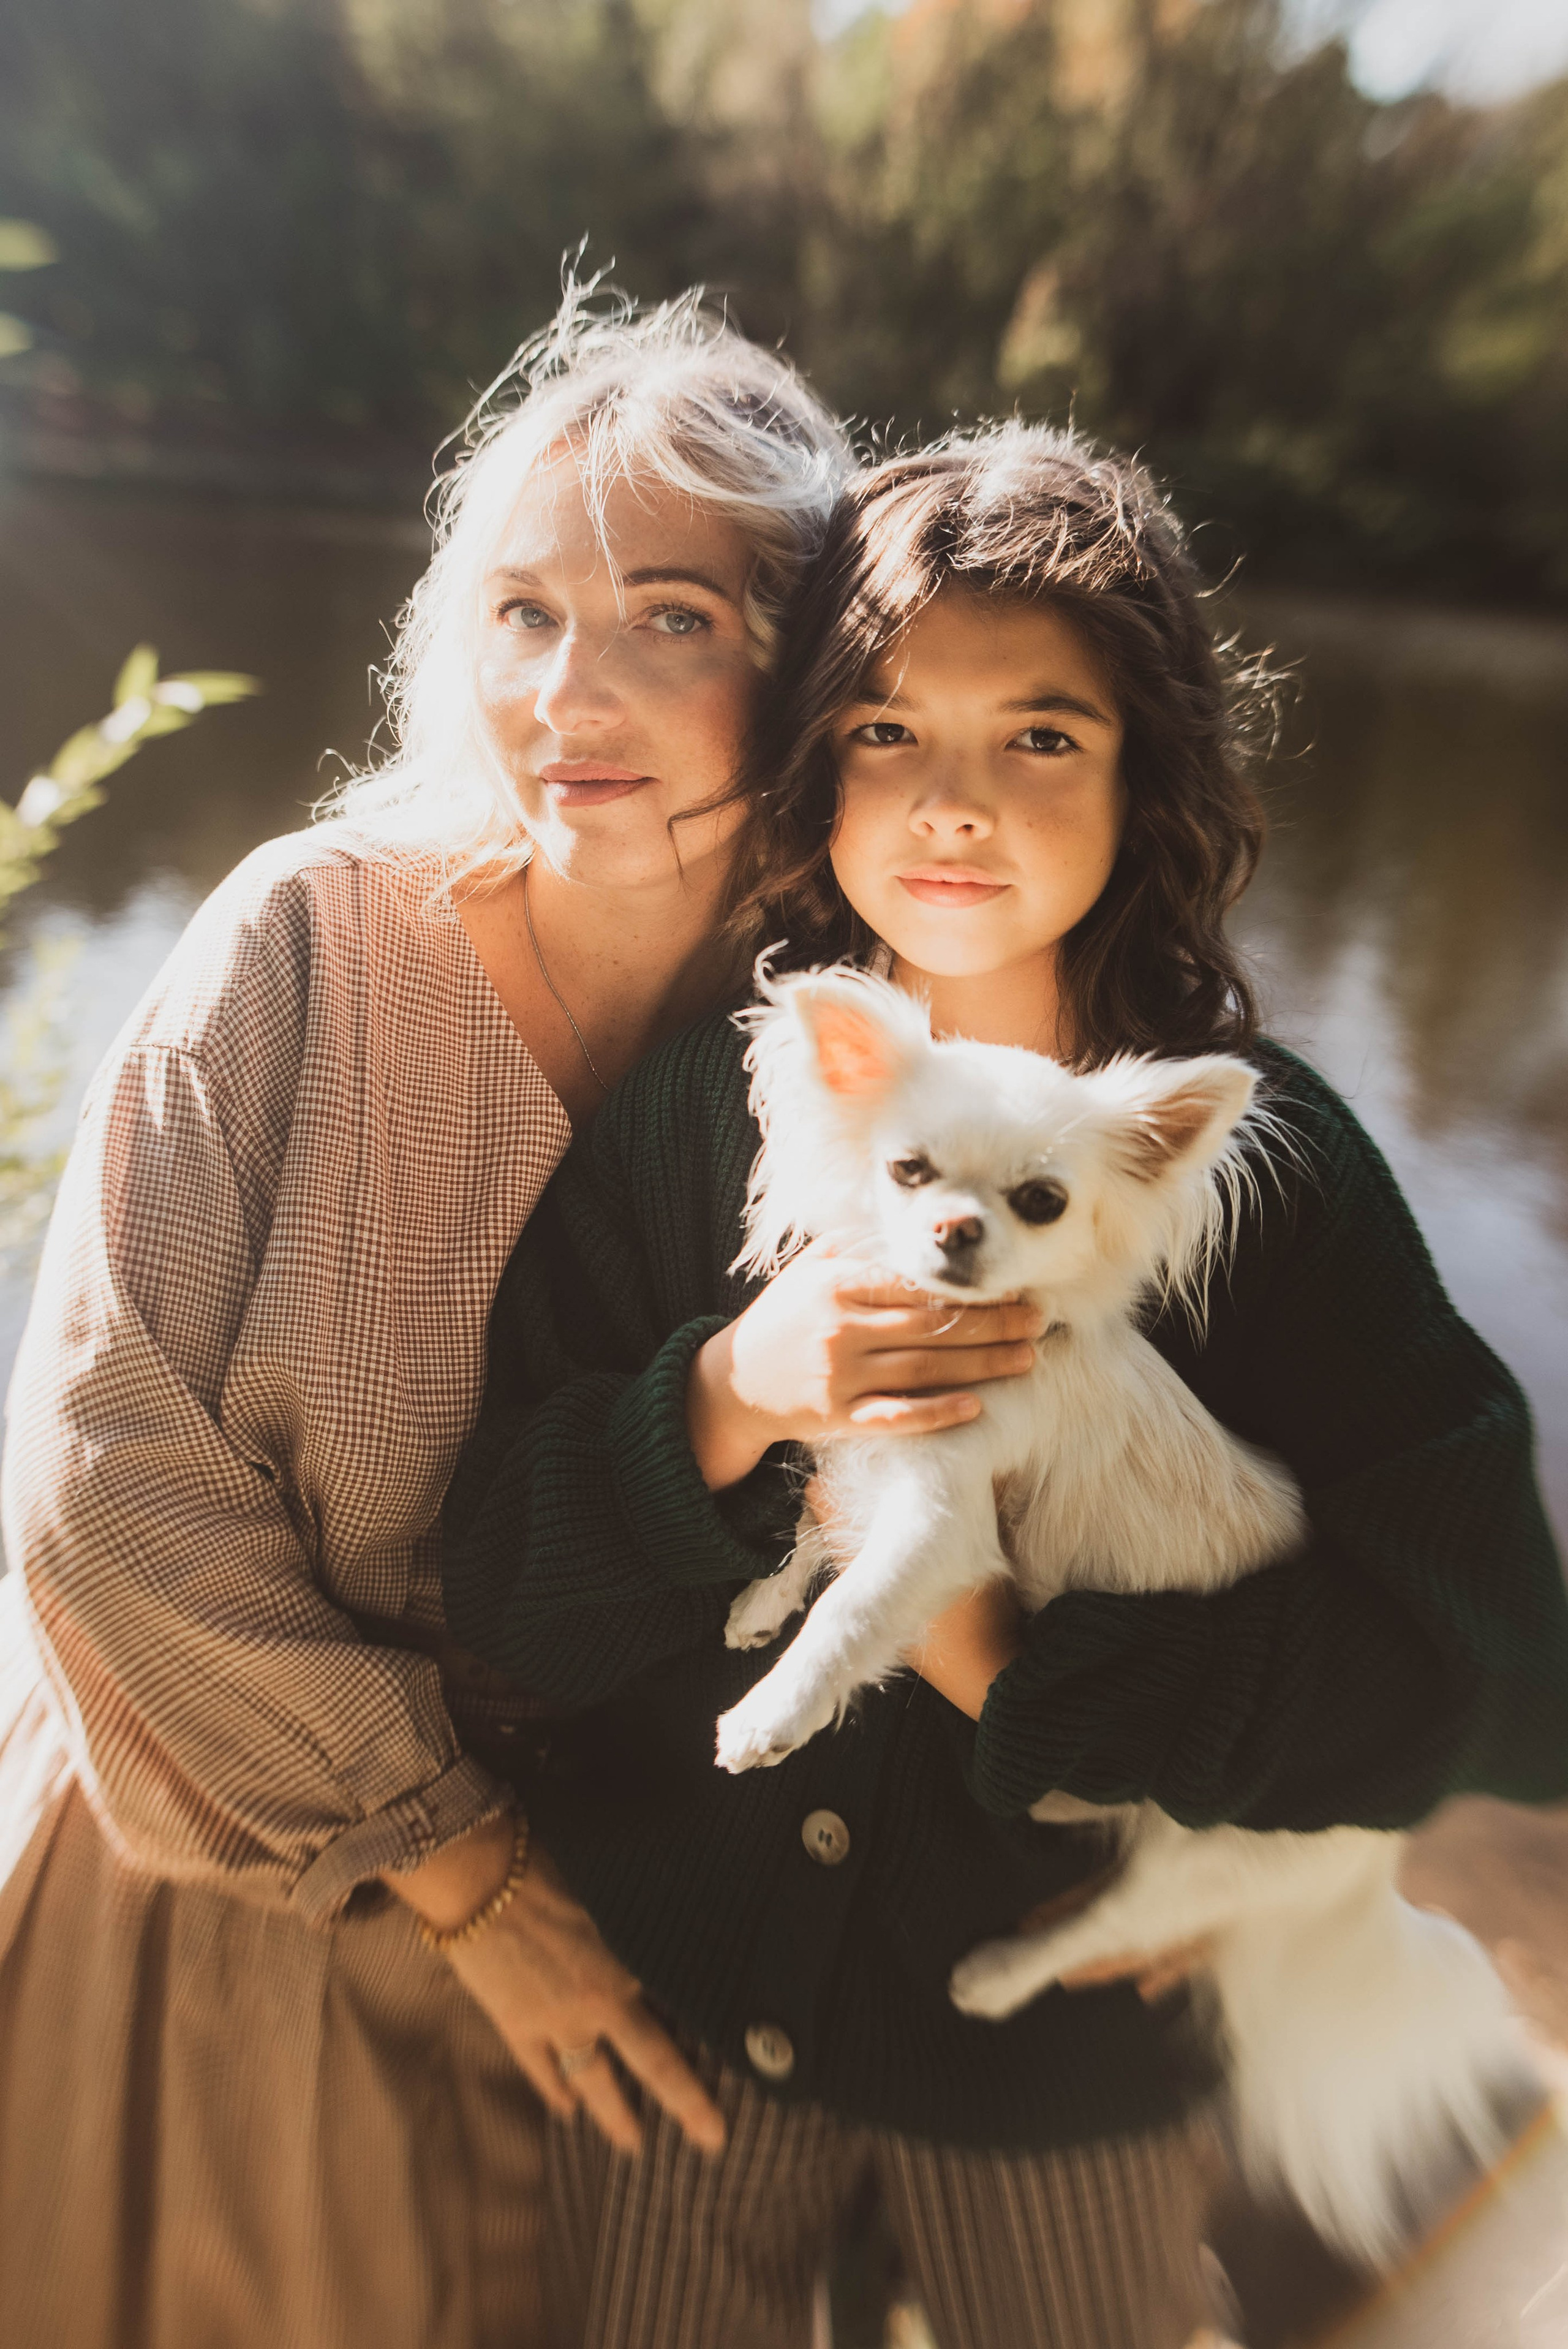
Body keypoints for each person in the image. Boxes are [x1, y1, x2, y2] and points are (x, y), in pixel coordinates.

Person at [442, 427, 1568, 2349]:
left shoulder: (1245, 1162)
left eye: (1041, 736)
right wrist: (726, 1395)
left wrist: (1044, 1686)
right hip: (689, 2031)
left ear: (1148, 776)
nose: (953, 802)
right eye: (887, 731)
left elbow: (1471, 1647)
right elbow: (498, 1592)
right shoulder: (712, 1105)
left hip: (1071, 2072)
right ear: (815, 762)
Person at [0, 290, 1038, 2348]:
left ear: (809, 660)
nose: (576, 688)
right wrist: (465, 1878)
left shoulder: (865, 1056)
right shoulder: (301, 942)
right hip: (211, 1924)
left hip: (625, 2007)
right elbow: (96, 1507)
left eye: (674, 617)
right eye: (527, 612)